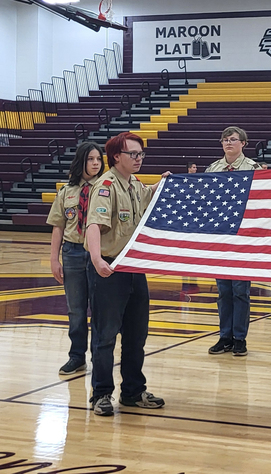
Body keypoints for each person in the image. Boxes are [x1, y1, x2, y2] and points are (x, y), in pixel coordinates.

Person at [84, 132, 168, 416]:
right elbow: (94, 224)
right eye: (133, 154)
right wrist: (96, 259)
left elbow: (148, 195)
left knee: (136, 335)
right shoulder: (106, 186)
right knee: (105, 335)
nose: (139, 159)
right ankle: (101, 394)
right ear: (116, 156)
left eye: (141, 154)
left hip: (134, 268)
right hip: (109, 268)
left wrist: (163, 183)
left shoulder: (133, 183)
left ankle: (132, 391)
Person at [48, 141, 104, 375]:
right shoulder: (66, 191)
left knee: (100, 308)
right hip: (72, 252)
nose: (95, 163)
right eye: (90, 159)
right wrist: (54, 259)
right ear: (81, 161)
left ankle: (100, 357)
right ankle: (76, 356)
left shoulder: (106, 188)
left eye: (98, 159)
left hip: (99, 253)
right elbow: (58, 227)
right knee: (77, 309)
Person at [206, 126, 261, 357]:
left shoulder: (253, 169)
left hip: (243, 237)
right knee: (223, 291)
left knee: (240, 290)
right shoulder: (213, 169)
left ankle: (239, 337)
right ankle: (224, 336)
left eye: (233, 140)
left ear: (243, 143)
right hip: (221, 236)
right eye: (225, 140)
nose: (229, 143)